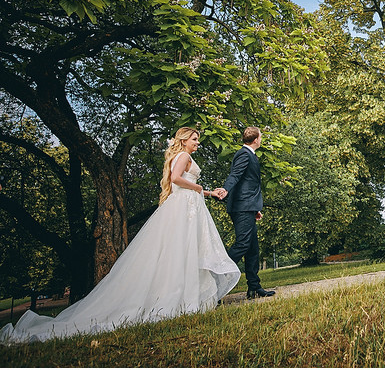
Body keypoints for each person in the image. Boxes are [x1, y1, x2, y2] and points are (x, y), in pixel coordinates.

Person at [0, 127, 240, 344]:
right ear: (184, 140)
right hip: (184, 208)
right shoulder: (184, 156)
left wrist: (209, 192)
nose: (198, 142)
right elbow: (176, 179)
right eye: (195, 139)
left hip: (186, 206)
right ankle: (180, 301)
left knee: (179, 253)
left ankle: (186, 299)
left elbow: (181, 182)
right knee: (182, 251)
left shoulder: (180, 157)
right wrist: (200, 189)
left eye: (198, 139)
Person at [218, 126, 275, 299]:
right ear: (256, 139)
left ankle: (254, 288)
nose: (261, 139)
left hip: (248, 207)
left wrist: (255, 208)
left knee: (252, 249)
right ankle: (215, 280)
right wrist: (225, 190)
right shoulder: (244, 154)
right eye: (261, 136)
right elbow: (235, 175)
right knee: (242, 245)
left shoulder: (250, 154)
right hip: (242, 207)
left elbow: (247, 182)